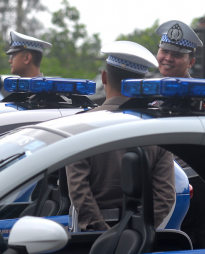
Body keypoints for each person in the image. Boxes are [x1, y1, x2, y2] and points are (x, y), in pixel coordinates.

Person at [66, 41, 176, 232]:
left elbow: (78, 191)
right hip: (139, 240)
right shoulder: (159, 128)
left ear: (104, 77)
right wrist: (137, 232)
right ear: (141, 83)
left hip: (91, 243)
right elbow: (165, 196)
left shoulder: (80, 126)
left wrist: (102, 232)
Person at [155, 20, 205, 249]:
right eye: (164, 51)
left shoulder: (203, 99)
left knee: (193, 251)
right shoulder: (151, 92)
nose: (168, 58)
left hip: (192, 185)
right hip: (158, 185)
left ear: (191, 62)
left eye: (177, 55)